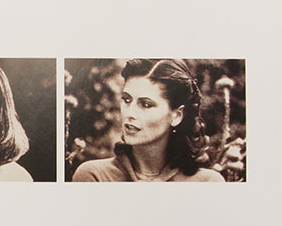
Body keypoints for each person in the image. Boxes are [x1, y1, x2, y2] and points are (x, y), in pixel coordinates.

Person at [73, 58, 224, 182]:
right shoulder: (94, 176)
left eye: (146, 104)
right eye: (126, 100)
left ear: (177, 115)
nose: (130, 113)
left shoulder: (208, 181)